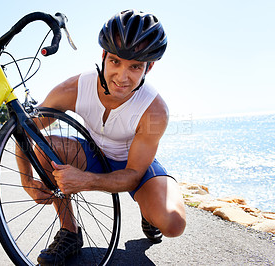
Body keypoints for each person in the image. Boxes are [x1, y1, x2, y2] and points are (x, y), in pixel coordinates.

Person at [16, 9, 186, 265]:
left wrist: (85, 180)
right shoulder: (73, 88)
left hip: (134, 167)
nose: (122, 76)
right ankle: (69, 232)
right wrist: (27, 180)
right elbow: (25, 129)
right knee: (46, 146)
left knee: (173, 224)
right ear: (104, 56)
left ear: (148, 68)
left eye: (135, 67)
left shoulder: (155, 110)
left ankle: (149, 212)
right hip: (93, 155)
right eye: (115, 61)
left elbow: (133, 175)